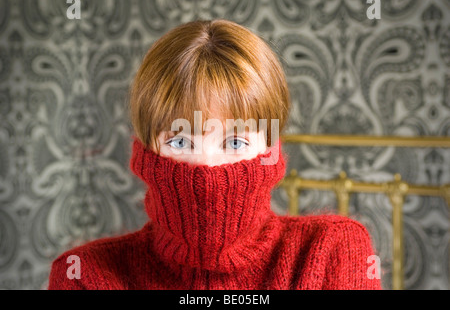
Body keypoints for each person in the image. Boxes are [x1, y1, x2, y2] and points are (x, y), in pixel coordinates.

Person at [48, 19, 381, 290]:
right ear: (146, 149)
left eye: (235, 142)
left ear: (269, 150)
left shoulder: (330, 253)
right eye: (180, 142)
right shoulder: (83, 276)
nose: (206, 166)